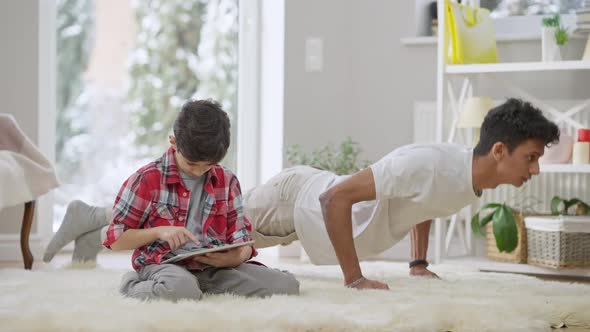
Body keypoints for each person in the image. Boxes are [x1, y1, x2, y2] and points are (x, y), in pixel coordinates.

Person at [45, 98, 559, 291]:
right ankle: (89, 216)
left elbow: (423, 202)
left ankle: (94, 224)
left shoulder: (465, 177)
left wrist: (418, 264)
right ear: (498, 150)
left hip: (306, 215)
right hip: (300, 199)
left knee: (220, 245)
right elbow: (342, 198)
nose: (534, 168)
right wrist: (353, 278)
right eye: (532, 157)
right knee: (199, 236)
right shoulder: (427, 161)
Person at [45, 99, 299, 302]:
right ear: (173, 142)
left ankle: (192, 287)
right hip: (161, 263)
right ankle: (137, 285)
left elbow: (242, 236)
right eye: (191, 164)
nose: (199, 171)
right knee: (180, 290)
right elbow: (116, 238)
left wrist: (236, 257)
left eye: (208, 165)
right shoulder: (146, 180)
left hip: (213, 269)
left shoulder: (227, 180)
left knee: (287, 285)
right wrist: (159, 232)